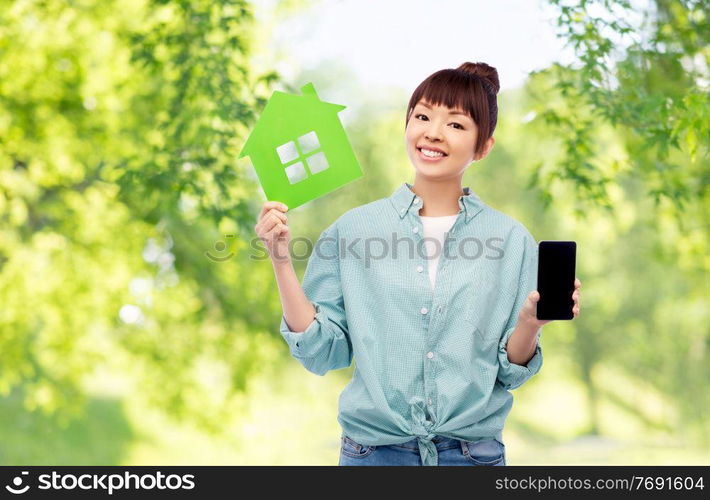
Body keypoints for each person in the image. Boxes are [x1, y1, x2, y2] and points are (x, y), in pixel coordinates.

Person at [254, 62, 582, 466]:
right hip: (372, 456)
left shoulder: (511, 240)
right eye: (423, 116)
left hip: (472, 457)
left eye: (456, 125)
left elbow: (510, 372)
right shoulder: (353, 230)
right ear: (407, 124)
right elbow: (323, 351)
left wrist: (531, 322)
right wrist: (281, 260)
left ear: (484, 146)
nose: (433, 133)